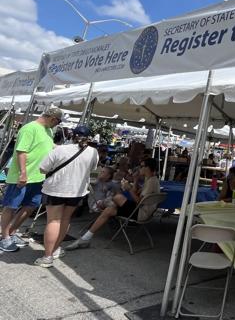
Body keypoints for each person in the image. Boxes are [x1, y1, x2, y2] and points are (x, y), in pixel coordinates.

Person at [35, 126, 99, 267]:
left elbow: (43, 168)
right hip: (77, 191)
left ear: (72, 135)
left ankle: (47, 256)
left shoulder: (60, 149)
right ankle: (55, 249)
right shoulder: (93, 152)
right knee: (65, 219)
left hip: (56, 189)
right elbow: (93, 169)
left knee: (53, 221)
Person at [1, 107, 63, 252]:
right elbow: (21, 151)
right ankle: (4, 237)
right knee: (11, 206)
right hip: (22, 176)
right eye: (58, 122)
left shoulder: (48, 130)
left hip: (38, 177)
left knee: (31, 205)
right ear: (53, 118)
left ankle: (12, 231)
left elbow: (50, 147)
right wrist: (23, 173)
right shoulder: (29, 128)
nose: (57, 125)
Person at [66, 157, 161, 250]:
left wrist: (129, 189)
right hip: (142, 211)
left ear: (148, 168)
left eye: (141, 166)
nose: (139, 168)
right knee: (110, 209)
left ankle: (102, 205)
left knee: (117, 197)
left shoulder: (151, 182)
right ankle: (86, 238)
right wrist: (135, 180)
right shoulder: (151, 180)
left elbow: (139, 201)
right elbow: (138, 194)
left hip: (140, 212)